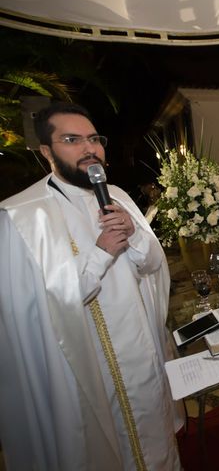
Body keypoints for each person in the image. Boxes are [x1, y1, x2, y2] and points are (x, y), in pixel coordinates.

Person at [0, 102, 182, 470]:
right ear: (46, 151)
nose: (89, 149)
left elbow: (152, 267)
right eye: (72, 139)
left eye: (94, 139)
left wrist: (134, 237)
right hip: (84, 365)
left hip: (139, 348)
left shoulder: (119, 197)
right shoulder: (22, 217)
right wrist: (99, 256)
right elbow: (33, 309)